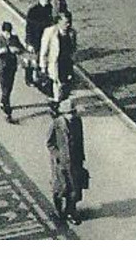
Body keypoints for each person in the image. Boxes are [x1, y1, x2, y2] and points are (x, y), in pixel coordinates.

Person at [47, 96, 89, 226]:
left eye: (73, 112)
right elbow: (50, 143)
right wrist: (57, 156)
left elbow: (80, 140)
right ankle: (59, 211)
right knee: (60, 188)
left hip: (75, 161)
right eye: (70, 113)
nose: (72, 115)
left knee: (75, 189)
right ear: (64, 113)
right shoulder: (56, 123)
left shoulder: (77, 121)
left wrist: (81, 157)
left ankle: (71, 210)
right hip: (61, 163)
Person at [0, 22, 25, 119]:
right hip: (2, 67)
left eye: (9, 33)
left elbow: (22, 49)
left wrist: (17, 49)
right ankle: (6, 106)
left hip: (12, 66)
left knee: (10, 86)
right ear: (3, 31)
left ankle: (4, 102)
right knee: (4, 86)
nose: (8, 35)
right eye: (6, 33)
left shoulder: (14, 39)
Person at [39, 10, 76, 101]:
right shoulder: (50, 32)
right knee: (56, 83)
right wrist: (43, 66)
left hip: (66, 62)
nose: (68, 25)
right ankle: (56, 103)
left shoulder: (72, 33)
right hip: (55, 62)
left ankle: (59, 101)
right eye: (65, 23)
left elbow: (73, 49)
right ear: (59, 22)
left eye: (69, 22)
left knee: (65, 84)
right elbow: (44, 50)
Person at [23, 0, 54, 88]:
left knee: (43, 59)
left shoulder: (50, 9)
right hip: (34, 38)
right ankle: (29, 78)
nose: (47, 1)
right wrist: (29, 42)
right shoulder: (33, 11)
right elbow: (29, 27)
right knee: (31, 60)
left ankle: (41, 78)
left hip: (45, 38)